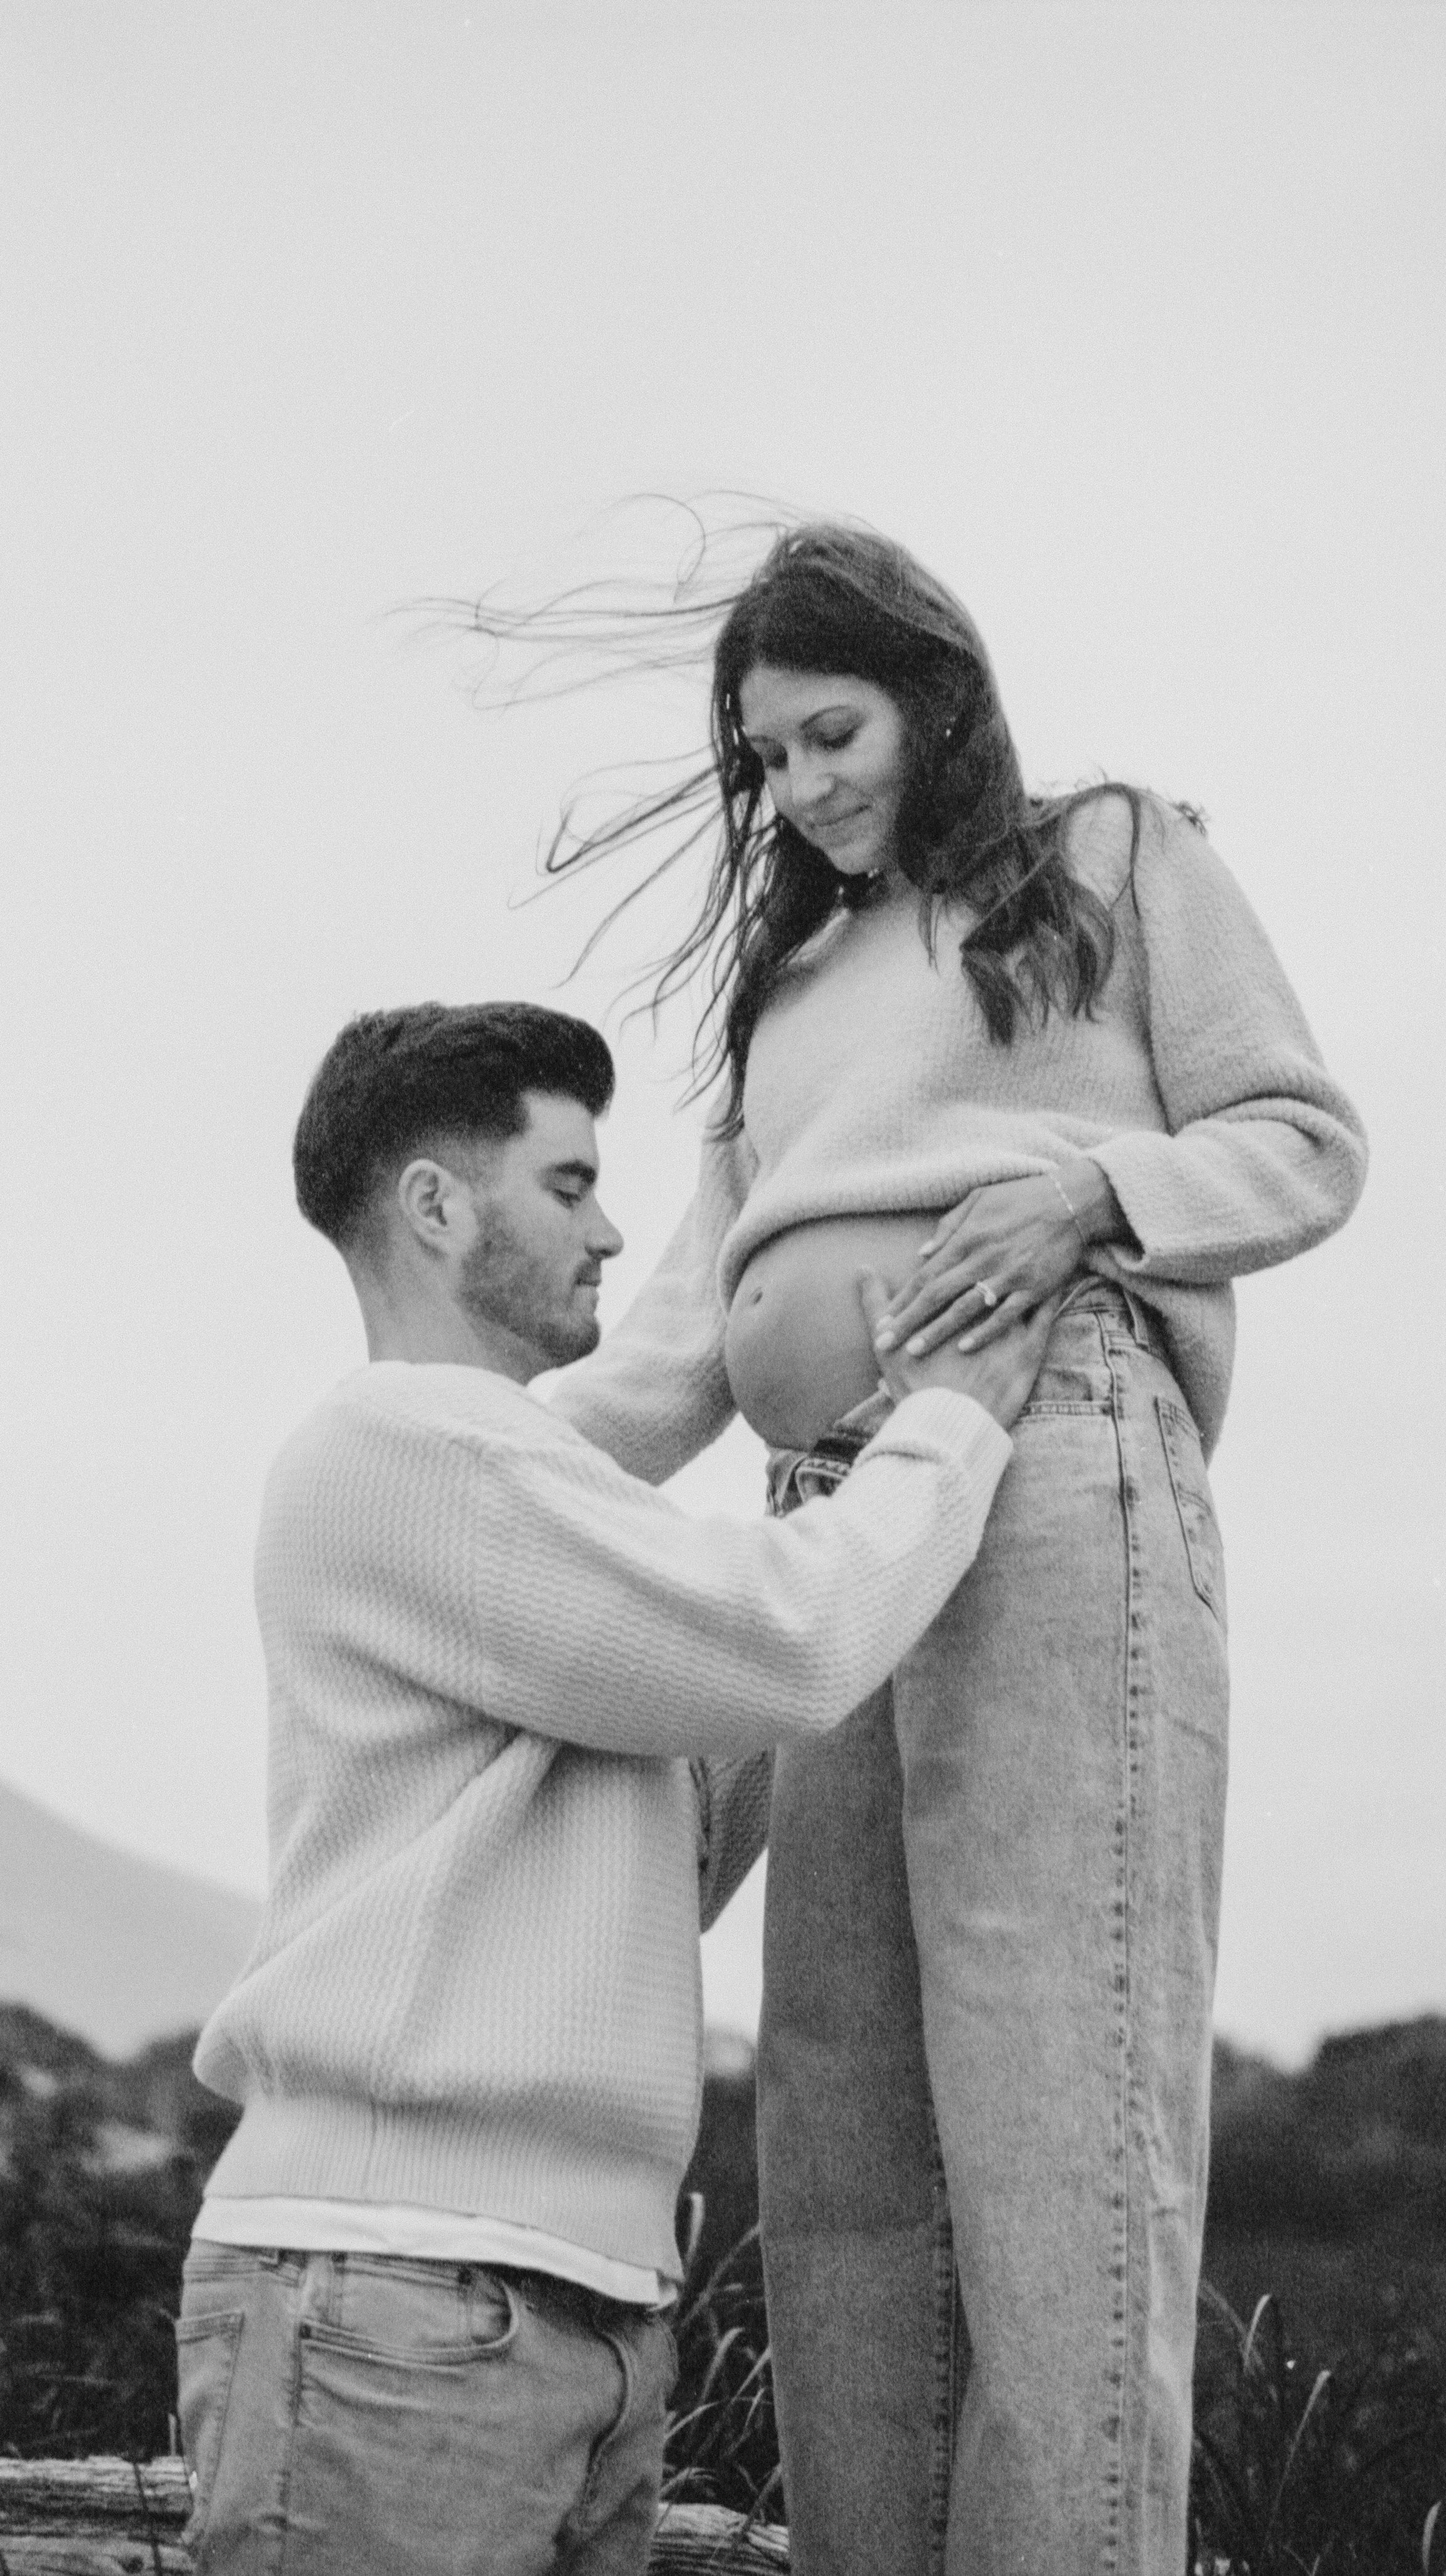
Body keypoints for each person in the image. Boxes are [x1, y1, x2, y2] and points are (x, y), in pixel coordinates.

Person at [545, 522, 1369, 2575]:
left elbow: (1300, 1136)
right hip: (822, 1535)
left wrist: (1091, 1187)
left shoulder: (1109, 855)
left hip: (1050, 1470)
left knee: (1049, 2092)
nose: (805, 784)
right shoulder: (792, 986)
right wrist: (449, 1462)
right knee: (836, 2131)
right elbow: (677, 1343)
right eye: (767, 760)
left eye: (832, 732)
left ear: (935, 694)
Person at [174, 998, 1057, 2576]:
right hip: (399, 2290)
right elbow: (777, 1640)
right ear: (438, 1206)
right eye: (568, 1184)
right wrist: (946, 1430)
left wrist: (792, 1196)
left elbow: (677, 1817)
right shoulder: (404, 1445)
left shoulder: (510, 1502)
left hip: (558, 2304)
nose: (607, 1228)